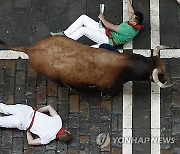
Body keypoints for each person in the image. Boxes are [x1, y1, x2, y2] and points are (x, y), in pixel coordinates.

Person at [51, 0, 143, 48]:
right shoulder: (135, 24)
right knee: (83, 18)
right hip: (106, 33)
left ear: (134, 22)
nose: (130, 16)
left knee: (83, 30)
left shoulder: (127, 30)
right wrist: (128, 1)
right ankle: (65, 34)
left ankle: (65, 42)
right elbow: (131, 11)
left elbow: (110, 26)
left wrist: (102, 18)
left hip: (107, 40)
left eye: (131, 17)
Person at [0, 103, 73, 145]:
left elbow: (49, 107)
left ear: (67, 131)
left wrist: (37, 112)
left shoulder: (58, 121)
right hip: (23, 122)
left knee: (4, 108)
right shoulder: (48, 139)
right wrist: (28, 129)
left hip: (27, 111)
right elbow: (30, 142)